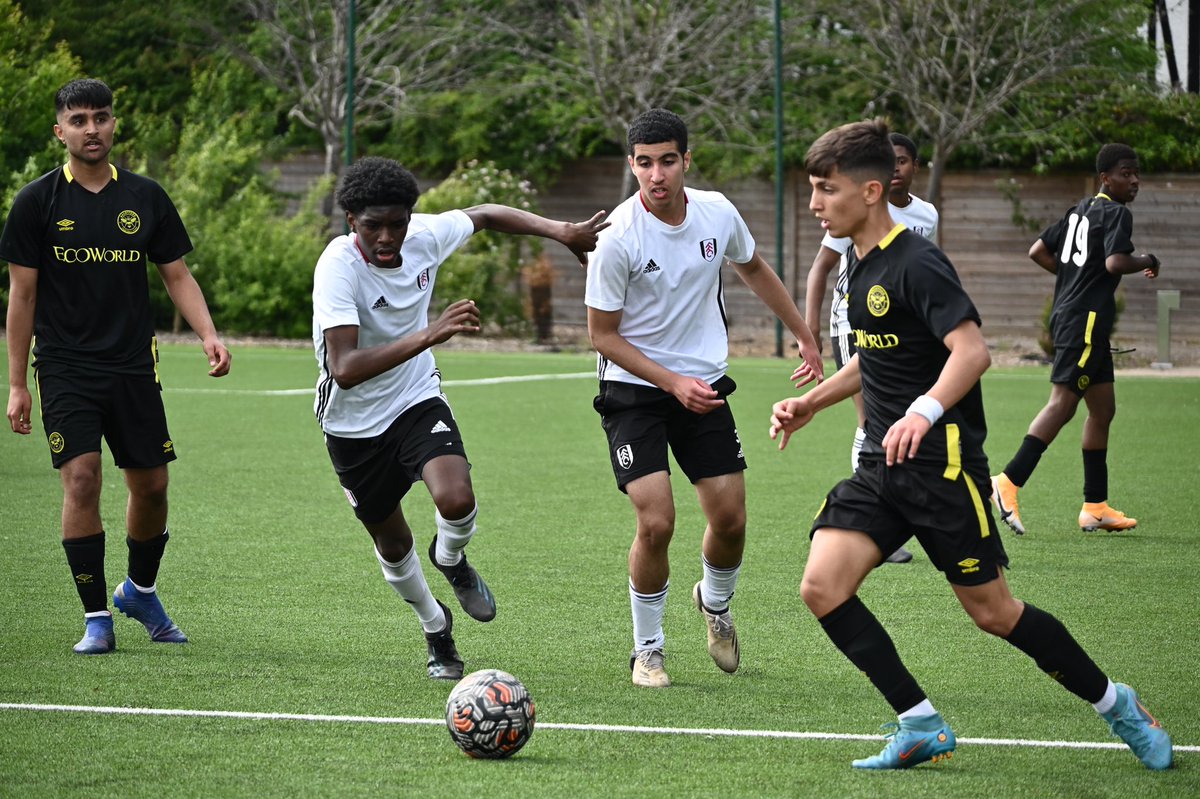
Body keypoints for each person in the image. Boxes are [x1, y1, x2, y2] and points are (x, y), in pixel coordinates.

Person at [769, 120, 1172, 771]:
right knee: (822, 585)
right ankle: (919, 721)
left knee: (995, 612)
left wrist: (923, 413)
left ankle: (1116, 702)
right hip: (882, 464)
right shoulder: (856, 259)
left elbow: (972, 351)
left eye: (826, 189)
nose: (815, 202)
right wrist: (809, 404)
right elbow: (872, 359)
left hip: (941, 465)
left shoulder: (917, 260)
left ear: (870, 191)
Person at [313, 155, 608, 680]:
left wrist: (561, 231)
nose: (387, 236)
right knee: (393, 543)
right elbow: (346, 367)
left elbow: (489, 213)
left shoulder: (424, 236)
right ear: (351, 220)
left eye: (397, 223)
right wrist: (431, 333)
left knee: (457, 497)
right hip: (353, 424)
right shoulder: (337, 267)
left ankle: (450, 558)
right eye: (373, 225)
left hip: (414, 399)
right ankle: (435, 628)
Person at [585, 108, 824, 688]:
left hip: (705, 385)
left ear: (686, 160)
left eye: (668, 160)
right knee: (657, 521)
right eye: (644, 163)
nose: (657, 174)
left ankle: (714, 604)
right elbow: (602, 335)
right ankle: (648, 650)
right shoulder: (617, 238)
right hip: (635, 390)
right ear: (632, 166)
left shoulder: (717, 212)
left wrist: (805, 334)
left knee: (731, 518)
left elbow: (754, 267)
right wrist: (671, 383)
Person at [2, 78, 232, 655]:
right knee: (82, 478)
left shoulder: (146, 196)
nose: (91, 129)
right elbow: (21, 298)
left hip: (133, 365)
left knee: (151, 485)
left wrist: (208, 335)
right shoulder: (37, 202)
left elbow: (176, 274)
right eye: (78, 120)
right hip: (64, 367)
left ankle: (140, 590)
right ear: (60, 131)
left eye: (100, 118)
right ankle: (96, 616)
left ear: (113, 124)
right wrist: (15, 385)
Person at [991, 144, 1160, 536]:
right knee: (1062, 406)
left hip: (1078, 319)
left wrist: (1073, 279)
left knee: (1102, 411)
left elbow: (1038, 250)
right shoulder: (1117, 213)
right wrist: (1148, 260)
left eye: (1136, 173)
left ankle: (1095, 506)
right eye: (1125, 173)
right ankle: (1007, 482)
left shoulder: (1079, 209)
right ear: (1105, 177)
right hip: (1084, 322)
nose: (1133, 180)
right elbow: (1116, 263)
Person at [805, 131, 939, 565]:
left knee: (901, 417)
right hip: (852, 322)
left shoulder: (925, 215)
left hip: (902, 328)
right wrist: (811, 333)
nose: (897, 168)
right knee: (872, 418)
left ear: (914, 167)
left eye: (904, 162)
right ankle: (871, 520)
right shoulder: (852, 214)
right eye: (891, 161)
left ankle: (893, 514)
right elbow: (820, 269)